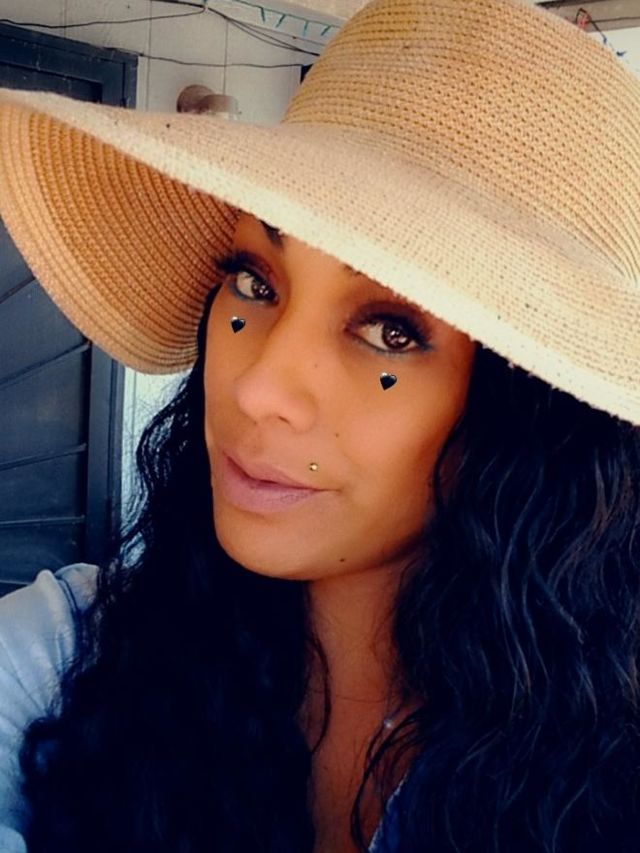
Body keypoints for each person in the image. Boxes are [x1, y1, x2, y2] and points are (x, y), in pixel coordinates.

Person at [0, 0, 638, 850]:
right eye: (255, 282)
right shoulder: (69, 656)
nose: (260, 386)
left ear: (531, 416)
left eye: (391, 332)